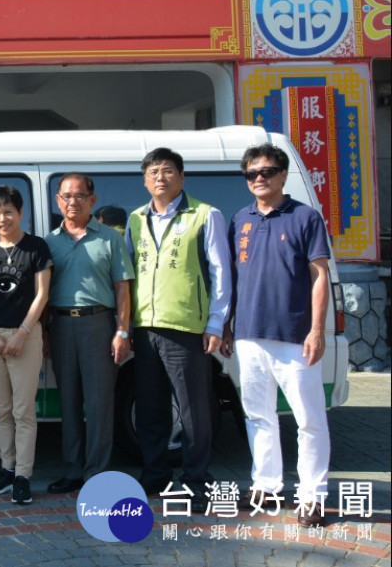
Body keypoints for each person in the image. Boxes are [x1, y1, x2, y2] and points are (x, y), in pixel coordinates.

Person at [229, 144, 331, 526]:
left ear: (283, 175)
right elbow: (233, 280)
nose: (259, 178)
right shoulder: (241, 219)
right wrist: (227, 326)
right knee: (258, 415)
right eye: (252, 173)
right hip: (249, 335)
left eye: (267, 171)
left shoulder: (305, 217)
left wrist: (317, 331)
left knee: (309, 420)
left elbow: (319, 276)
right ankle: (266, 486)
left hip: (294, 336)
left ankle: (312, 497)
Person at [126, 147, 230, 510]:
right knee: (150, 407)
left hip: (186, 327)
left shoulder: (205, 215)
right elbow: (128, 275)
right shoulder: (136, 219)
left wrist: (216, 322)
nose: (160, 177)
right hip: (145, 326)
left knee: (193, 410)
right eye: (153, 172)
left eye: (168, 170)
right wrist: (126, 325)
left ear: (182, 177)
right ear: (144, 180)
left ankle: (197, 481)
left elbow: (220, 272)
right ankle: (155, 474)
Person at [43, 173, 133, 495]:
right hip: (61, 325)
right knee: (68, 401)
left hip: (98, 324)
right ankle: (72, 470)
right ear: (58, 201)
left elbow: (122, 287)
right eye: (66, 196)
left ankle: (97, 472)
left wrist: (122, 331)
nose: (73, 202)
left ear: (92, 200)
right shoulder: (49, 242)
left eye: (80, 195)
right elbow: (42, 292)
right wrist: (45, 333)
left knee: (99, 403)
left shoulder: (110, 238)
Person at [0, 185, 51, 506]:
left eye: (8, 211)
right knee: (1, 410)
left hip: (25, 337)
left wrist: (23, 333)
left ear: (20, 213)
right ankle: (6, 468)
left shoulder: (36, 247)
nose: (2, 218)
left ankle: (23, 476)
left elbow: (42, 295)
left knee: (23, 410)